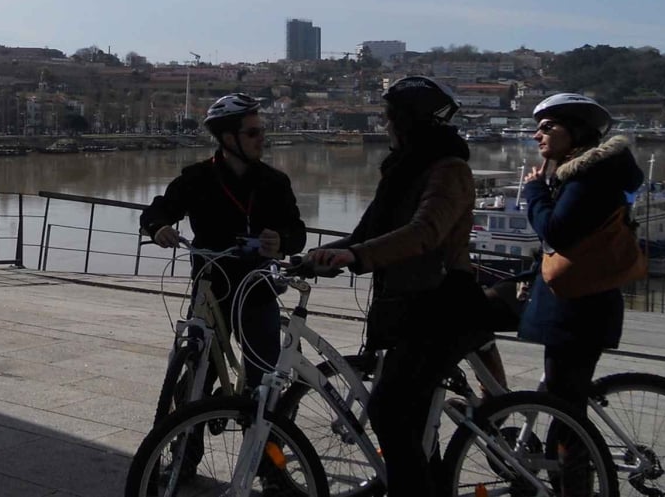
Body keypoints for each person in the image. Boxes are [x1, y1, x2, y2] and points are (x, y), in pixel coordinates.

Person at [307, 76, 485, 497]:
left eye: (390, 118)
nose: (385, 126)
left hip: (440, 307)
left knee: (390, 411)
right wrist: (308, 260)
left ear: (411, 121)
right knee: (418, 424)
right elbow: (363, 234)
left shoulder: (449, 170)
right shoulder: (403, 170)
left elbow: (426, 232)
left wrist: (358, 257)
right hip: (407, 306)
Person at [140, 92, 307, 390]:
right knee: (197, 375)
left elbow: (297, 233)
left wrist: (281, 240)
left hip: (257, 286)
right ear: (228, 138)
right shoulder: (197, 178)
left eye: (263, 131)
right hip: (211, 285)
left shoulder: (275, 182)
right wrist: (158, 227)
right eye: (253, 132)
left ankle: (262, 433)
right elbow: (159, 209)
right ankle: (188, 432)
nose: (262, 139)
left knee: (263, 382)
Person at [519, 93, 643, 412]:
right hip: (579, 306)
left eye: (546, 127)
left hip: (577, 312)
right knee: (563, 397)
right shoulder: (583, 175)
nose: (537, 135)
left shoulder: (589, 178)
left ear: (575, 130)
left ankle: (577, 462)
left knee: (565, 409)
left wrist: (534, 191)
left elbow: (556, 233)